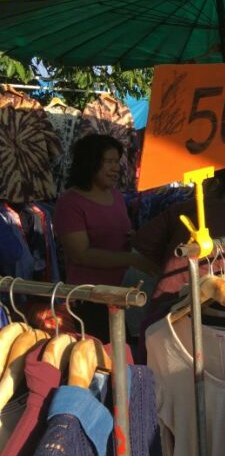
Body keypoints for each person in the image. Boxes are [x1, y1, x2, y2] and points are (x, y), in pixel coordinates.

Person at [54, 134, 157, 341]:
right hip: (91, 298)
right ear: (90, 163)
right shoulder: (70, 203)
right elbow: (80, 254)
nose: (116, 168)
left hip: (124, 295)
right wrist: (132, 259)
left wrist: (136, 239)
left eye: (116, 162)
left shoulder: (116, 196)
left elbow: (120, 237)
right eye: (108, 162)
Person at [133, 160, 225, 313]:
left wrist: (170, 262)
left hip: (173, 301)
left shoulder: (184, 209)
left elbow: (143, 241)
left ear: (214, 183)